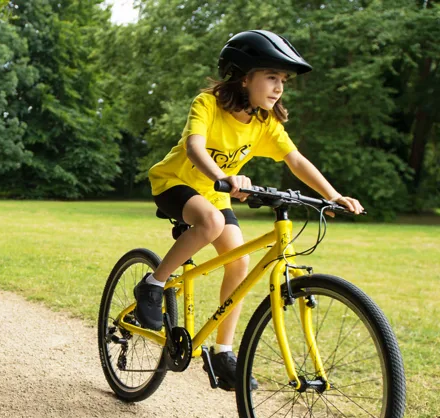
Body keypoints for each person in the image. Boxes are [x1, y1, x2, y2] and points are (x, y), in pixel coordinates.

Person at [133, 30, 364, 390]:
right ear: (245, 78)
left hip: (215, 194)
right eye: (271, 77)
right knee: (210, 222)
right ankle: (154, 284)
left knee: (239, 262)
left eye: (283, 80)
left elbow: (296, 160)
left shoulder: (265, 123)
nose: (279, 87)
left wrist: (333, 195)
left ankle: (223, 352)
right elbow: (195, 148)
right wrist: (222, 177)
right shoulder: (207, 104)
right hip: (174, 183)